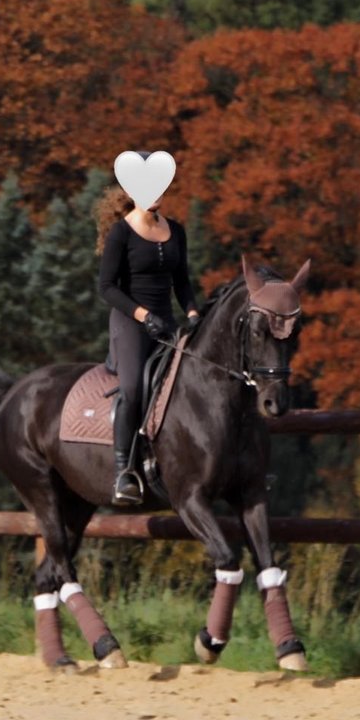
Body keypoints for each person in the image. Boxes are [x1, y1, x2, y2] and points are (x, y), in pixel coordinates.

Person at [95, 173, 199, 506]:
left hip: (167, 323)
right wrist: (142, 316)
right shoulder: (121, 233)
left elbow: (181, 281)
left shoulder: (176, 230)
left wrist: (194, 314)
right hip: (130, 323)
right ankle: (124, 472)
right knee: (133, 390)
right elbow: (106, 288)